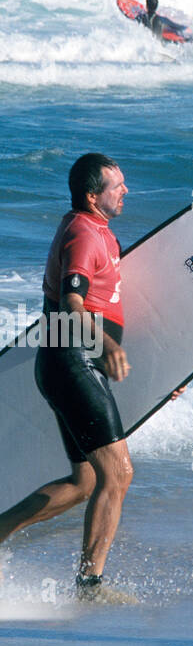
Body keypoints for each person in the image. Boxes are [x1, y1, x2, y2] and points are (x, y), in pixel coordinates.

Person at [0, 155, 137, 602]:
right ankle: (90, 585)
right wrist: (109, 347)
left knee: (85, 482)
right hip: (73, 360)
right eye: (117, 186)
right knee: (117, 473)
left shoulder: (100, 232)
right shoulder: (83, 232)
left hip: (72, 364)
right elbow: (72, 303)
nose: (126, 191)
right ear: (92, 195)